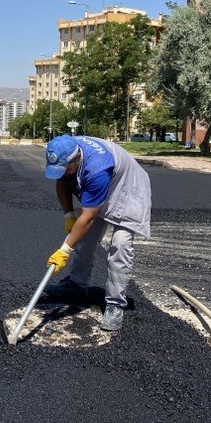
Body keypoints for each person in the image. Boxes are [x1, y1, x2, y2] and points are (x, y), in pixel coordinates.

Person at [42, 134, 152, 331]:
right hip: (104, 184)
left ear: (78, 158)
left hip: (128, 189)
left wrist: (64, 251)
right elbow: (62, 182)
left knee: (120, 244)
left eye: (65, 168)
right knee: (83, 239)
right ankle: (76, 285)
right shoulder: (64, 150)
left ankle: (115, 303)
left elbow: (89, 217)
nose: (63, 172)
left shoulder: (97, 170)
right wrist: (69, 215)